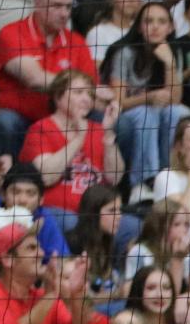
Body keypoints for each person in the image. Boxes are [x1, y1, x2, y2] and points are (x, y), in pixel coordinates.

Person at [0, 0, 93, 164]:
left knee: (102, 117)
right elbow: (35, 79)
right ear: (37, 2)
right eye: (56, 6)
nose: (64, 13)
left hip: (65, 119)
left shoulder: (77, 42)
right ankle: (12, 180)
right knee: (6, 121)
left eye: (68, 7)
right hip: (22, 119)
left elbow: (92, 90)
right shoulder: (11, 34)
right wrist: (76, 86)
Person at [102, 0, 190, 190]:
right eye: (149, 21)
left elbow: (174, 100)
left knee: (178, 113)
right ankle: (144, 183)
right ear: (140, 27)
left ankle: (170, 178)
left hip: (158, 110)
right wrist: (148, 98)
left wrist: (169, 63)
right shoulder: (124, 52)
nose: (155, 27)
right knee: (146, 114)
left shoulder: (173, 51)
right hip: (126, 113)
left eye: (162, 22)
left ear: (171, 27)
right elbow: (117, 102)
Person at [21, 69, 120, 223]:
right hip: (56, 213)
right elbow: (47, 177)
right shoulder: (41, 129)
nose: (86, 99)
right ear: (58, 97)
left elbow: (114, 178)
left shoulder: (99, 129)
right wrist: (79, 137)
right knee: (71, 222)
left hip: (97, 214)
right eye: (78, 92)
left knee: (132, 225)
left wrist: (108, 135)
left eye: (90, 95)